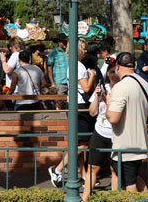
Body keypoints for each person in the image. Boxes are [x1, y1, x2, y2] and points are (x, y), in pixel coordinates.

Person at [48, 39, 95, 188]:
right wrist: (92, 75)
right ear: (78, 50)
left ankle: (84, 176)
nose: (86, 51)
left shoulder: (74, 65)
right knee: (83, 144)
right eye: (83, 48)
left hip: (74, 104)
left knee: (79, 142)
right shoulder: (79, 66)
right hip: (80, 106)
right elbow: (86, 88)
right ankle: (58, 169)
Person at [105, 52, 148, 192]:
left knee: (130, 185)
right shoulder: (144, 83)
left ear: (117, 66)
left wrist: (108, 104)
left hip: (125, 146)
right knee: (134, 178)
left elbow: (113, 118)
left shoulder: (120, 86)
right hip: (140, 141)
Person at [82, 63, 120, 202]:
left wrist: (108, 102)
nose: (113, 74)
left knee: (114, 170)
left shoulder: (122, 90)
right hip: (100, 133)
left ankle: (115, 199)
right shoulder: (102, 89)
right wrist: (97, 96)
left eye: (116, 71)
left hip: (116, 135)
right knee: (92, 168)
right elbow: (92, 113)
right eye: (111, 71)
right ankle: (85, 199)